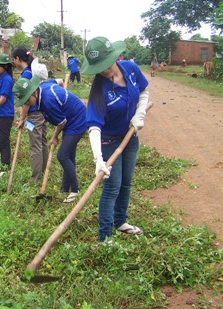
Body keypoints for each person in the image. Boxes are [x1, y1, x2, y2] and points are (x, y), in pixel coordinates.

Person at [82, 36, 149, 242]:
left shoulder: (130, 68)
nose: (104, 70)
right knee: (113, 186)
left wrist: (140, 114)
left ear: (114, 56)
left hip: (130, 137)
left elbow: (144, 91)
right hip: (109, 141)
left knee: (126, 182)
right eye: (99, 67)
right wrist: (98, 160)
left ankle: (120, 222)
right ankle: (105, 237)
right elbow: (94, 127)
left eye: (106, 64)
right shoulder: (99, 90)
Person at [13, 76, 87, 203]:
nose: (27, 103)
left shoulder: (47, 101)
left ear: (34, 93)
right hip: (69, 119)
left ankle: (75, 190)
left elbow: (62, 122)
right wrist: (64, 99)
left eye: (27, 100)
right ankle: (65, 188)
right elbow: (59, 80)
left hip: (77, 120)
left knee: (62, 155)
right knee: (69, 155)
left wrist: (54, 137)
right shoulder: (43, 87)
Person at [12, 47, 48, 183]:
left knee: (35, 145)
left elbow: (27, 101)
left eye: (13, 59)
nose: (13, 62)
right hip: (41, 112)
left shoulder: (26, 74)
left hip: (33, 115)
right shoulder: (32, 71)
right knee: (42, 142)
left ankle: (35, 178)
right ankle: (43, 171)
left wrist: (22, 118)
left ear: (18, 59)